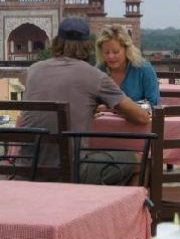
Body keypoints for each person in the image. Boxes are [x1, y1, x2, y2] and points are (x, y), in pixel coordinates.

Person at [20, 17, 150, 182]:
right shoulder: (94, 76)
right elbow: (141, 117)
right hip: (72, 171)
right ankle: (124, 208)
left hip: (27, 168)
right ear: (88, 45)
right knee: (142, 161)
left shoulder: (33, 71)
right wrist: (111, 104)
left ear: (57, 41)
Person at [96, 24, 160, 106]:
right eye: (106, 52)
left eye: (116, 52)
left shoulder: (144, 69)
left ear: (127, 49)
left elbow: (154, 103)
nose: (110, 56)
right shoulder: (99, 71)